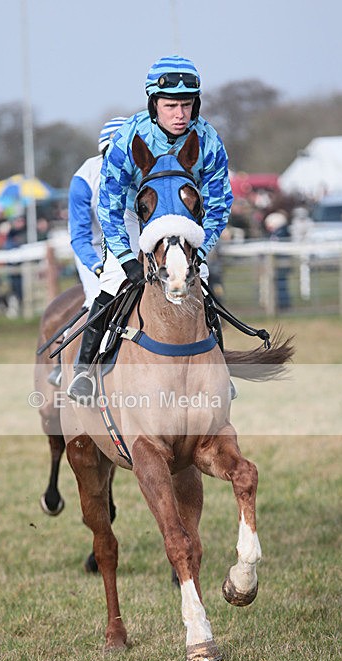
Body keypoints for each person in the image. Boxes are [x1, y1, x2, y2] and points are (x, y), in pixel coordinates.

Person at [67, 55, 233, 401]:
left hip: (186, 220)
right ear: (153, 103)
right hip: (134, 216)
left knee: (198, 282)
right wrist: (127, 258)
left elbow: (219, 204)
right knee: (113, 280)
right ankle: (84, 372)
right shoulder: (130, 137)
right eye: (170, 105)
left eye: (187, 105)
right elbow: (109, 205)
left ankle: (219, 371)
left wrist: (201, 251)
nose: (180, 115)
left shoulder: (209, 141)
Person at [48, 116, 127, 386]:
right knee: (98, 296)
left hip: (135, 248)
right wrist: (97, 266)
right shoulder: (84, 179)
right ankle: (78, 369)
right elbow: (80, 236)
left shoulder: (142, 173)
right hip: (96, 252)